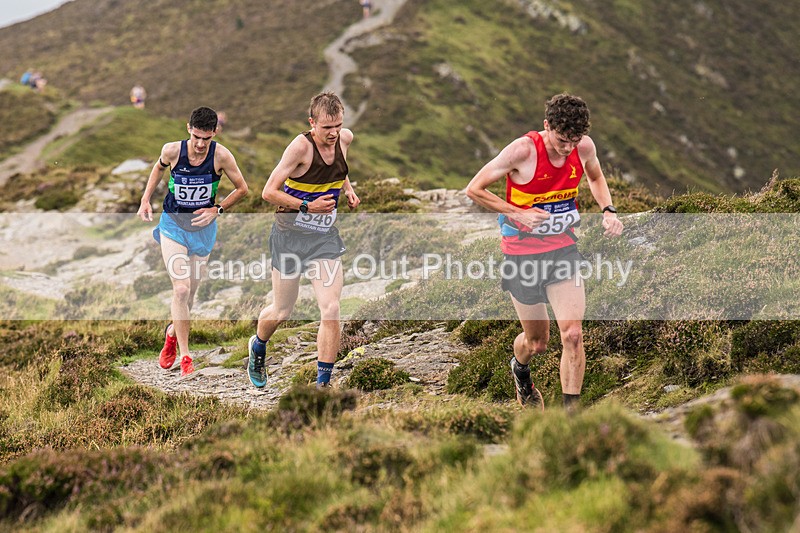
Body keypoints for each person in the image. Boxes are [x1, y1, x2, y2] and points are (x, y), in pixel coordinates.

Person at [466, 93, 623, 411]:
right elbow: (474, 189)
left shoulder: (584, 147)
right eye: (562, 140)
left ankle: (570, 415)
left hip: (562, 249)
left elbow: (595, 176)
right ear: (546, 126)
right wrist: (517, 213)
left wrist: (608, 209)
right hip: (521, 254)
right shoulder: (522, 151)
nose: (567, 148)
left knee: (573, 334)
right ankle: (520, 370)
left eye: (574, 141)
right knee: (537, 343)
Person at [248, 91, 360, 389]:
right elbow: (268, 192)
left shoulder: (344, 139)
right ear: (312, 123)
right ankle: (258, 346)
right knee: (283, 311)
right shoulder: (300, 148)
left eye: (337, 125)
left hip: (323, 238)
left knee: (332, 308)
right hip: (289, 236)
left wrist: (347, 189)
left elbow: (340, 169)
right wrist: (307, 206)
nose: (334, 133)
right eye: (326, 128)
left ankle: (322, 385)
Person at [137, 106, 249, 376]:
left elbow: (243, 189)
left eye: (206, 138)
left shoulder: (221, 156)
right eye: (196, 136)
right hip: (173, 226)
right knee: (181, 290)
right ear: (188, 128)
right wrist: (145, 198)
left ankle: (172, 333)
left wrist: (217, 209)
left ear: (215, 133)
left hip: (202, 231)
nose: (200, 144)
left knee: (191, 296)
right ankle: (186, 356)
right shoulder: (172, 151)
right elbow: (158, 168)